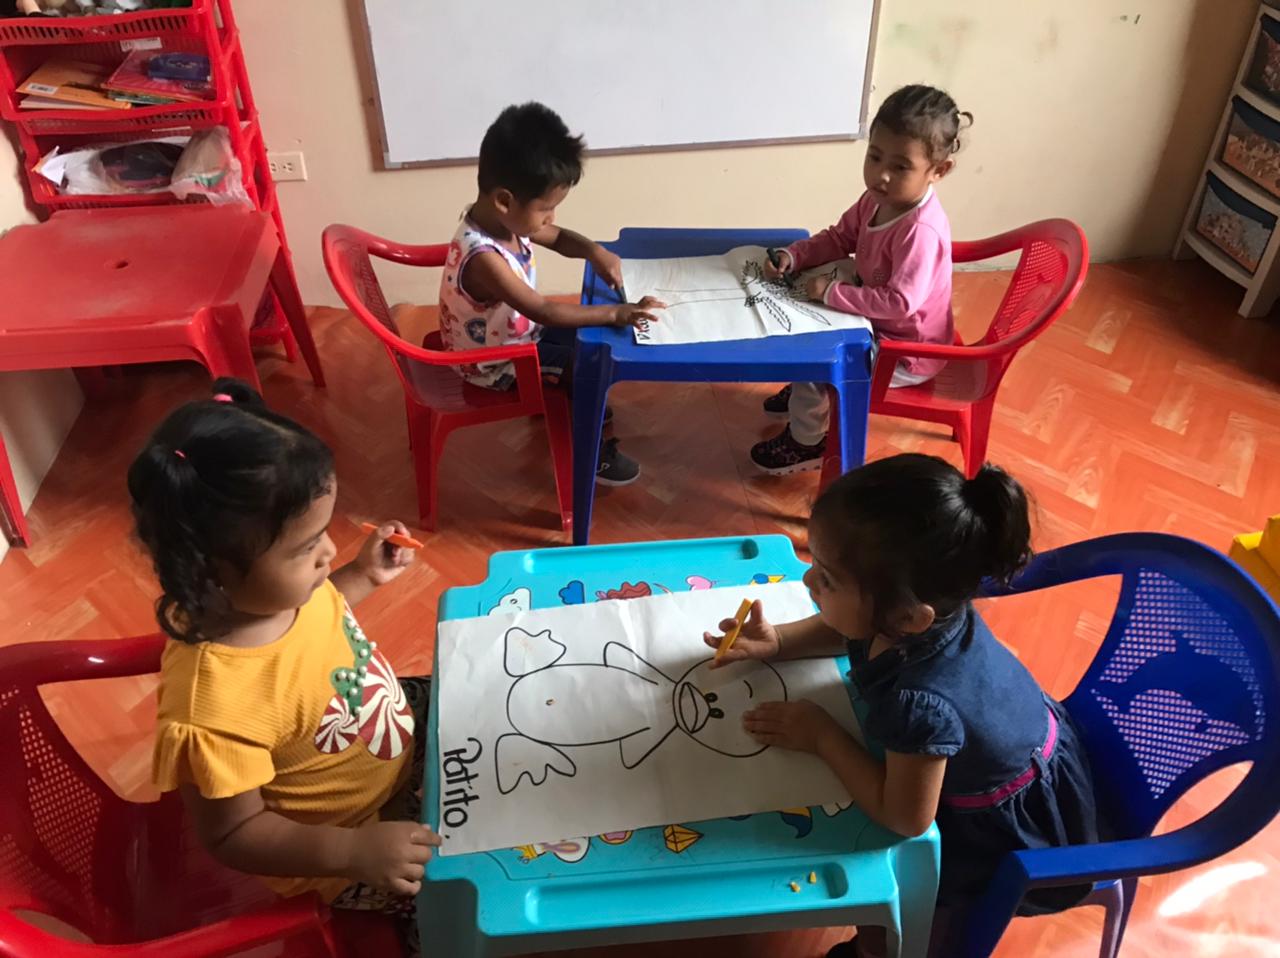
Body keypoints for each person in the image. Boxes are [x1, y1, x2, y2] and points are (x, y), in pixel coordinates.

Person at [705, 454, 1099, 955]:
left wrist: (822, 736)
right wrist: (779, 641)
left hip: (1007, 835)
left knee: (891, 900)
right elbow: (851, 626)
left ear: (909, 617)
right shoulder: (920, 612)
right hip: (1028, 745)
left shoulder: (920, 705)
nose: (807, 582)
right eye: (814, 564)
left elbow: (905, 818)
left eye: (827, 578)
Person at [130, 378, 434, 952]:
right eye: (306, 546)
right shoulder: (212, 709)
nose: (328, 553)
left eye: (324, 533)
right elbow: (235, 834)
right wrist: (353, 852)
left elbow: (322, 608)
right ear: (213, 572)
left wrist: (363, 574)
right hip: (352, 842)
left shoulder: (275, 593)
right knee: (462, 897)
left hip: (389, 735)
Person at [439, 101, 665, 486]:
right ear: (504, 200)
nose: (551, 218)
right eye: (546, 208)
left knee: (588, 341)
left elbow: (558, 238)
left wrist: (594, 251)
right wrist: (618, 313)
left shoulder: (504, 221)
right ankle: (589, 452)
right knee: (585, 365)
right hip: (493, 363)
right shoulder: (484, 259)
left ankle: (578, 398)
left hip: (512, 335)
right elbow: (543, 310)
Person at [752, 85, 971, 475]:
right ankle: (807, 393)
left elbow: (900, 303)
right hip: (877, 321)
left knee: (815, 358)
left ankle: (807, 441)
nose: (881, 174)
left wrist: (832, 293)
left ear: (938, 171)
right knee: (813, 288)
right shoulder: (877, 199)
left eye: (901, 167)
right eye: (874, 156)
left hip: (905, 351)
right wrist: (794, 255)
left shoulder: (920, 231)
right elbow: (840, 238)